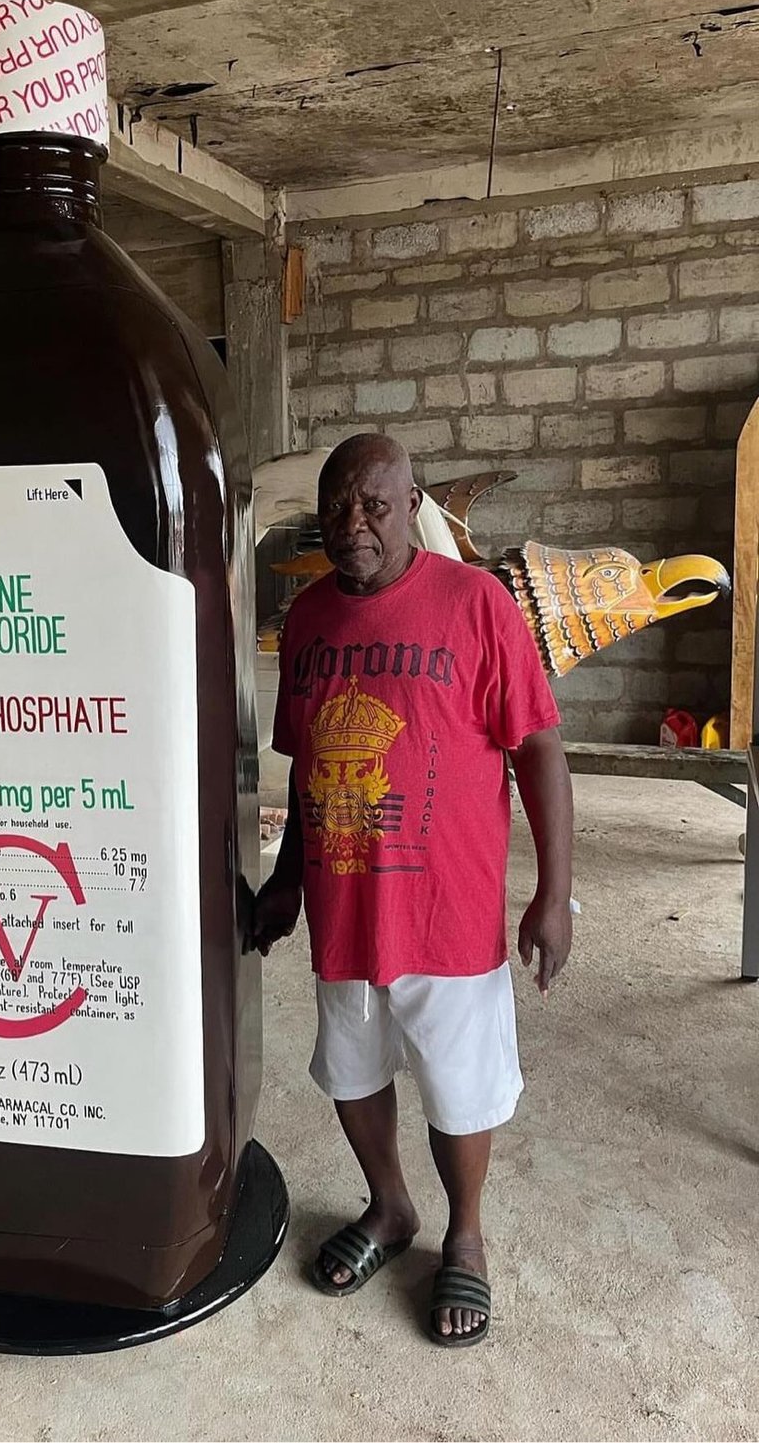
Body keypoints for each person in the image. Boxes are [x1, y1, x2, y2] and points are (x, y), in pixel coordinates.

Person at [254, 433, 573, 1348]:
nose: (353, 524)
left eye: (373, 505)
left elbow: (540, 747)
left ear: (411, 503)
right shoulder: (307, 621)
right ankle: (390, 1209)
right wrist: (285, 883)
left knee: (458, 1091)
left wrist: (553, 893)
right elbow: (309, 772)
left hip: (449, 913)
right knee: (351, 1075)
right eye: (336, 509)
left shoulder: (475, 604)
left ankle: (463, 1236)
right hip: (345, 910)